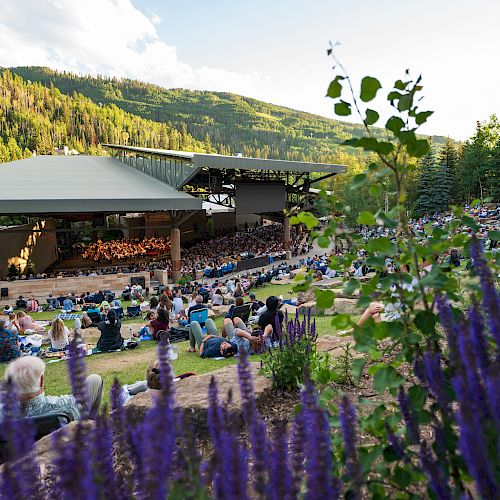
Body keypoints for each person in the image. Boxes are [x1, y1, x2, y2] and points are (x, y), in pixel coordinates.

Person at [3, 356, 103, 420]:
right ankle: (92, 426)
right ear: (42, 380)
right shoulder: (67, 406)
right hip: (62, 451)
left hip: (15, 453)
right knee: (95, 379)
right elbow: (95, 381)